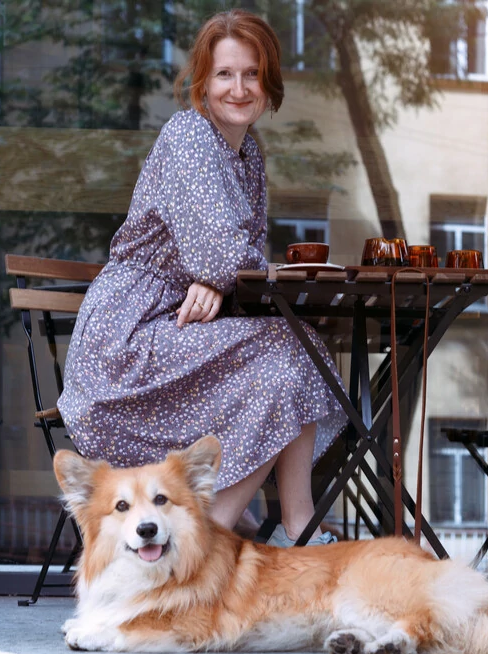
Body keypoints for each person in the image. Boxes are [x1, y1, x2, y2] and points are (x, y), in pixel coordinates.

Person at [57, 9, 346, 547]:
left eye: (252, 74)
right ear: (202, 83)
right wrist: (219, 275)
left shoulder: (248, 153)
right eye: (224, 74)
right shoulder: (191, 134)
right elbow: (220, 255)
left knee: (294, 357)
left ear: (269, 81)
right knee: (292, 355)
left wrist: (219, 279)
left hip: (179, 327)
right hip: (128, 343)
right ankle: (221, 532)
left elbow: (225, 261)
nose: (239, 88)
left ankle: (283, 525)